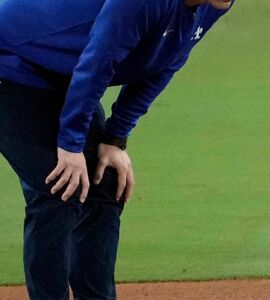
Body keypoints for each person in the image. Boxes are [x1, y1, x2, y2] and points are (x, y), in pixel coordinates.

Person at [0, 0, 233, 298]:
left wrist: (115, 138)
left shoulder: (217, 3)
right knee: (59, 188)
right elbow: (99, 59)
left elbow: (169, 59)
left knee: (105, 180)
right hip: (10, 60)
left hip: (61, 73)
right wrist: (70, 145)